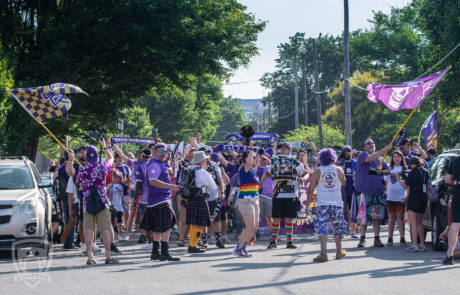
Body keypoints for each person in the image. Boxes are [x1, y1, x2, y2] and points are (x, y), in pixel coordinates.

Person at [75, 140, 119, 265]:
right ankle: (108, 256)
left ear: (87, 155)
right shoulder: (102, 167)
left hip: (87, 203)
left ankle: (90, 257)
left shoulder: (83, 169)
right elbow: (110, 158)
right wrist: (104, 145)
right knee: (105, 229)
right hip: (102, 202)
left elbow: (80, 184)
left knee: (88, 229)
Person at [262, 142, 307, 249]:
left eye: (285, 148)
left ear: (290, 150)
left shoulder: (296, 163)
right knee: (276, 219)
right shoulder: (276, 162)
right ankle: (273, 241)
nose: (282, 150)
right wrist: (261, 183)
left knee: (289, 219)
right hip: (278, 195)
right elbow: (267, 174)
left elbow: (305, 174)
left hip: (291, 195)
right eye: (281, 148)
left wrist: (302, 179)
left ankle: (289, 241)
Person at [141, 143, 181, 261]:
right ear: (154, 151)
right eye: (161, 152)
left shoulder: (159, 163)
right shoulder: (154, 164)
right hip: (160, 199)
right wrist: (171, 186)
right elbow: (153, 181)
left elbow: (169, 172)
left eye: (165, 152)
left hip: (157, 200)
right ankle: (164, 252)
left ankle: (155, 253)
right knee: (165, 226)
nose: (164, 154)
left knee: (158, 228)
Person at [307, 148, 347, 262]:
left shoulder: (318, 171)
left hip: (322, 204)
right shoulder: (339, 170)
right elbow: (343, 182)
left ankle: (323, 253)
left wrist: (308, 205)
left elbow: (310, 189)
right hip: (337, 204)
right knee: (338, 227)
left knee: (322, 228)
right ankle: (339, 251)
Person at [355, 139, 391, 248]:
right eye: (368, 143)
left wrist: (382, 171)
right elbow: (370, 158)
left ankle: (376, 238)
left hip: (378, 191)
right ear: (364, 146)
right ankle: (362, 239)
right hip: (365, 192)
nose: (371, 145)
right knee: (364, 218)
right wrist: (384, 150)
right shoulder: (362, 155)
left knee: (376, 216)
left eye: (373, 143)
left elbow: (389, 170)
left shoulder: (380, 159)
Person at [186, 151, 217, 253]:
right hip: (200, 198)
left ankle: (192, 244)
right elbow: (213, 187)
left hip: (191, 198)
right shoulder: (203, 172)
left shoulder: (189, 169)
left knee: (194, 224)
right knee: (199, 224)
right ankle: (192, 245)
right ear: (202, 161)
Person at [397, 156, 430, 252]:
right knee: (420, 222)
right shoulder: (425, 172)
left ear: (412, 164)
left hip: (414, 199)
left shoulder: (413, 172)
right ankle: (422, 244)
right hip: (423, 199)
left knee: (413, 223)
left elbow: (405, 186)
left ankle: (414, 244)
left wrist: (399, 179)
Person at [233, 142, 260, 257]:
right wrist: (251, 148)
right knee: (249, 226)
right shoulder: (245, 169)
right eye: (253, 157)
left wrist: (255, 152)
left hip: (254, 200)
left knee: (254, 227)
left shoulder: (253, 171)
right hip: (245, 200)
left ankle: (243, 247)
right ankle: (238, 248)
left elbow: (255, 161)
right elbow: (249, 161)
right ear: (244, 160)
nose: (254, 159)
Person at [384, 151, 407, 246]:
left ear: (401, 158)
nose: (396, 158)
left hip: (401, 197)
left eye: (398, 156)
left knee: (400, 217)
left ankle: (402, 237)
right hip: (391, 197)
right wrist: (386, 193)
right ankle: (390, 237)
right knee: (391, 217)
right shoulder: (389, 169)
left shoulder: (405, 169)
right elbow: (386, 182)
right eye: (394, 156)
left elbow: (407, 184)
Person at [442, 155, 460, 264]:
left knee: (455, 226)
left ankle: (450, 255)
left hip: (457, 193)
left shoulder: (455, 161)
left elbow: (447, 179)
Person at [339, 145, 358, 238]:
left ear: (352, 152)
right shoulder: (340, 163)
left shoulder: (356, 163)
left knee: (352, 210)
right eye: (345, 150)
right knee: (344, 210)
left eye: (348, 150)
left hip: (353, 190)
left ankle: (352, 230)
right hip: (343, 190)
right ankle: (345, 227)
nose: (347, 152)